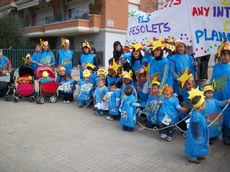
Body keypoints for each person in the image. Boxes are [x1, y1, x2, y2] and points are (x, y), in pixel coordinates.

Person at [210, 41, 230, 145]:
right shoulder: (216, 67)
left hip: (228, 96)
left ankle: (226, 136)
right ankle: (214, 134)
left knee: (227, 116)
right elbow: (212, 80)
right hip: (217, 95)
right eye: (221, 55)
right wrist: (209, 90)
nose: (223, 57)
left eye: (225, 55)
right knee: (215, 114)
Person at [184, 88, 208, 164]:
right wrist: (197, 135)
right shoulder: (196, 115)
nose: (205, 105)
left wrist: (205, 119)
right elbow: (195, 126)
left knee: (199, 144)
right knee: (195, 144)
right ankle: (192, 157)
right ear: (200, 106)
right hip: (196, 134)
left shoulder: (197, 112)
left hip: (200, 132)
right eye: (204, 104)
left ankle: (198, 153)